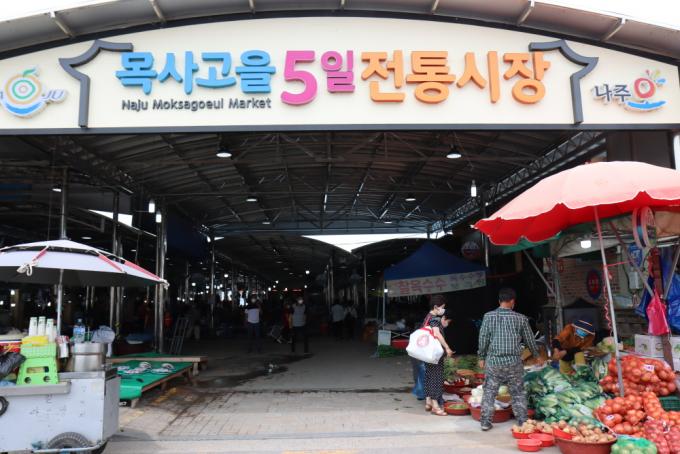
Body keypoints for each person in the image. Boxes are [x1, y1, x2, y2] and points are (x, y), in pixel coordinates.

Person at [477, 287, 540, 431]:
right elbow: (530, 339)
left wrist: (481, 356)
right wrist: (536, 355)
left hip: (494, 362)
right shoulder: (521, 318)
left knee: (489, 392)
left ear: (499, 300)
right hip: (514, 363)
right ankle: (522, 422)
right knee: (518, 393)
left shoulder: (488, 316)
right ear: (512, 301)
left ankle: (485, 422)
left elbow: (483, 338)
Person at [424, 294, 454, 416]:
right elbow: (437, 334)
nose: (443, 310)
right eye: (442, 307)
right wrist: (447, 347)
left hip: (427, 352)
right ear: (436, 307)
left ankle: (428, 402)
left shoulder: (428, 317)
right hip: (435, 353)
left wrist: (443, 325)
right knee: (436, 377)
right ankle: (435, 406)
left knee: (429, 375)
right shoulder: (435, 318)